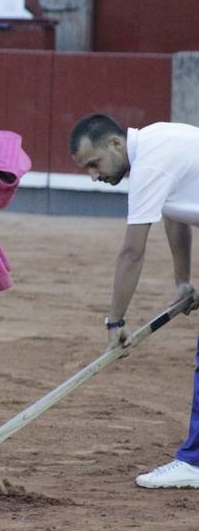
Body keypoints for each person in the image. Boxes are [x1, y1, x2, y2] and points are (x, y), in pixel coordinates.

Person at [69, 114, 199, 490]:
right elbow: (176, 213)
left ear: (115, 145)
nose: (94, 175)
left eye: (94, 164)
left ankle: (194, 461)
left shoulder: (150, 163)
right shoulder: (158, 143)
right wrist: (183, 282)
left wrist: (115, 322)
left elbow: (131, 253)